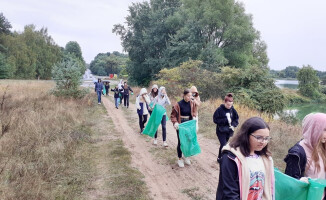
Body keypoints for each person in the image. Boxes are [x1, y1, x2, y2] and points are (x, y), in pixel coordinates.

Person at [216, 117, 274, 200]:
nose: (263, 142)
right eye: (259, 137)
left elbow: (268, 188)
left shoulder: (266, 158)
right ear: (246, 135)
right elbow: (230, 192)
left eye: (266, 138)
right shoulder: (231, 157)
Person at [284, 113, 326, 186]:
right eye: (325, 130)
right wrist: (301, 182)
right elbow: (290, 183)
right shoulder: (297, 153)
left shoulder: (322, 147)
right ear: (314, 129)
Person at [171, 89, 197, 168]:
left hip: (189, 124)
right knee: (181, 141)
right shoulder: (178, 104)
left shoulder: (192, 103)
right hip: (181, 124)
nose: (189, 97)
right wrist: (175, 122)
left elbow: (194, 112)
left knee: (189, 140)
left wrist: (195, 117)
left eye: (190, 96)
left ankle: (187, 156)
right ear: (184, 95)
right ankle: (179, 159)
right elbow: (173, 115)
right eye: (188, 96)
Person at [213, 93, 239, 162]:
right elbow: (215, 119)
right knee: (224, 144)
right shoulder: (219, 110)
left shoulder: (233, 110)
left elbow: (236, 119)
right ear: (225, 102)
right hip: (220, 130)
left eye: (231, 105)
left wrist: (233, 124)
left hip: (229, 130)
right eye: (228, 105)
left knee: (224, 145)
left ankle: (220, 157)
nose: (229, 106)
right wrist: (225, 120)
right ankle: (221, 159)